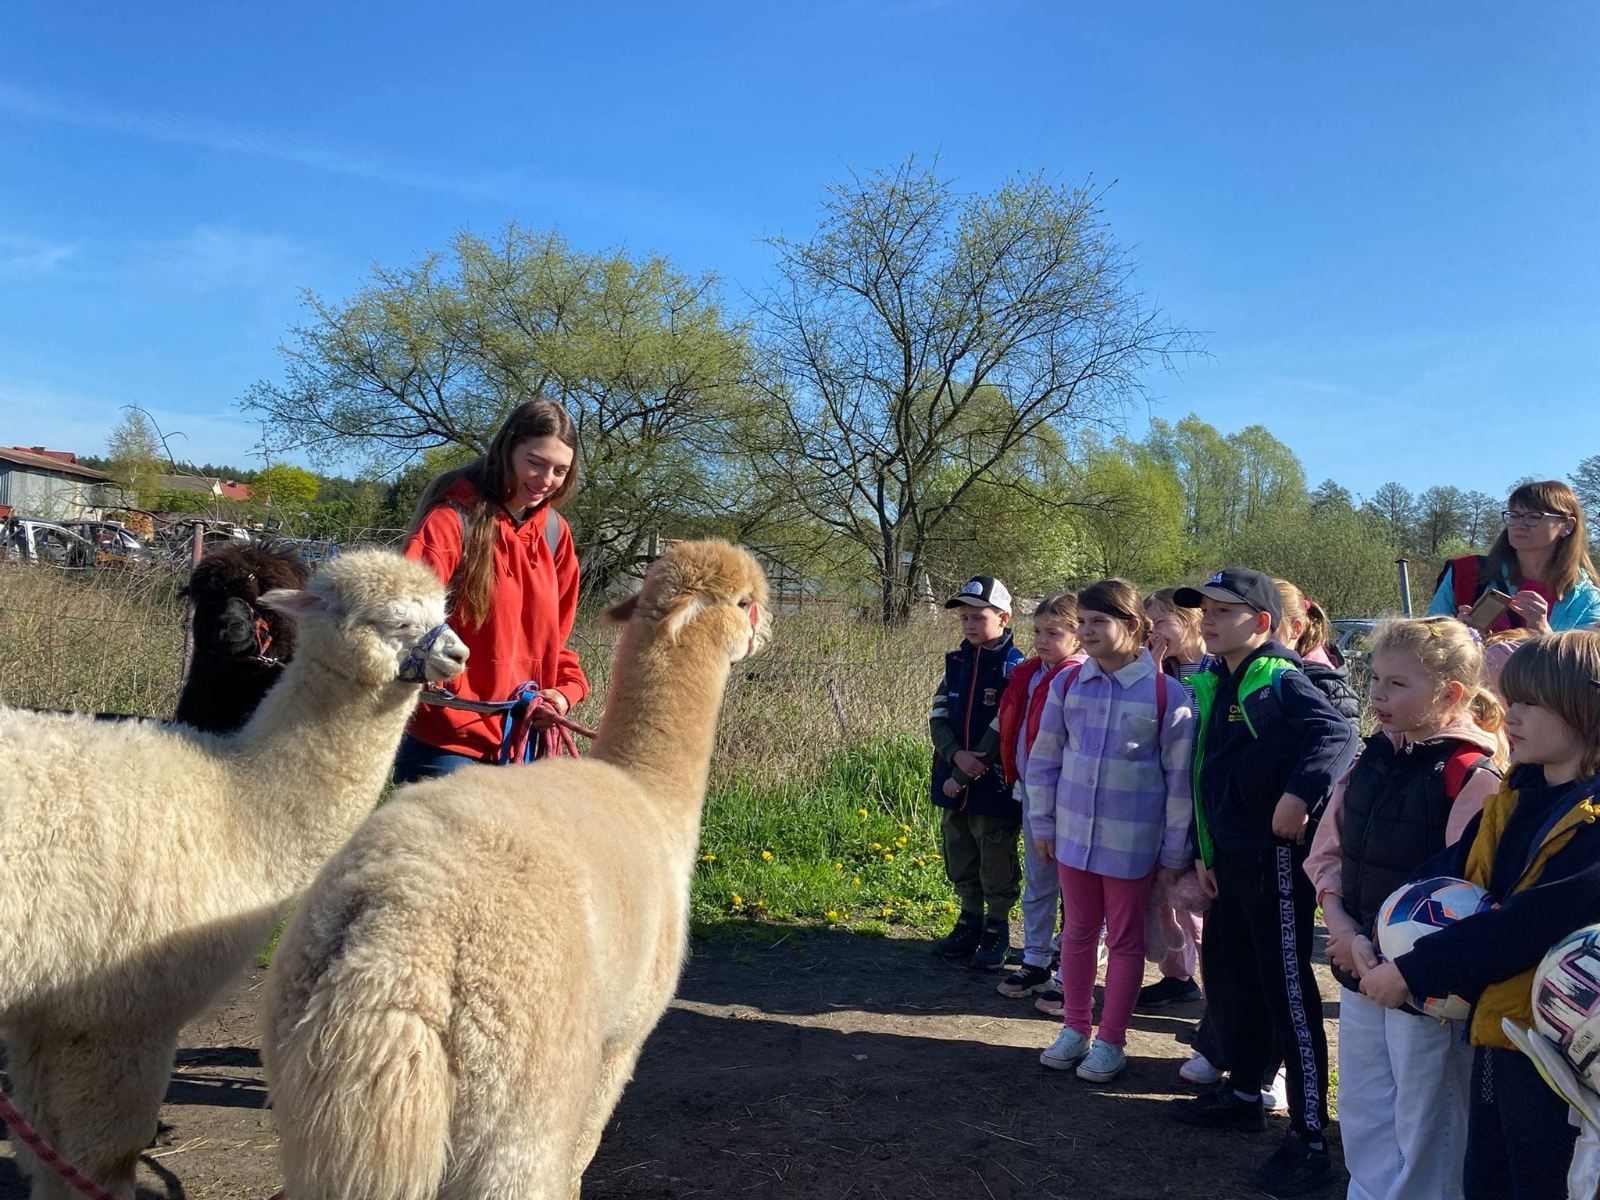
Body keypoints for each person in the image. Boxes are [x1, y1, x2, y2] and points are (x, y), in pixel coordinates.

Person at [1360, 631, 1600, 1200]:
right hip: (1499, 1035)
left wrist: (1415, 971)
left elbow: (1532, 920)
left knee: (1544, 1183)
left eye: (1529, 703)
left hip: (1561, 1059)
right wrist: (1378, 928)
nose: (1508, 715)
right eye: (1509, 699)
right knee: (1486, 1178)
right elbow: (1451, 866)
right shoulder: (1517, 794)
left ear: (1583, 709)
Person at [1167, 567, 1359, 1198]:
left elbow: (1336, 731)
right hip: (1232, 857)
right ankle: (1244, 1091)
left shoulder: (1276, 676)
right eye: (1206, 610)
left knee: (1287, 991)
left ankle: (1309, 1137)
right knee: (1231, 975)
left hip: (1275, 858)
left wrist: (1299, 794)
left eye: (1226, 610)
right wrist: (1206, 850)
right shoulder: (1220, 677)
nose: (1211, 619)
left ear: (1265, 623)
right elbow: (1208, 773)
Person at [1304, 616, 1504, 1200]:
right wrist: (1342, 929)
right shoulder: (1372, 759)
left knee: (1428, 1120)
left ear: (1450, 694)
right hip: (1356, 965)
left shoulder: (1473, 776)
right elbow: (1327, 853)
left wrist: (1393, 958)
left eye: (1397, 685)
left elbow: (1465, 895)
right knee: (1367, 1104)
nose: (1377, 695)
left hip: (1424, 989)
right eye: (1375, 679)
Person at [1026, 579, 1195, 1084]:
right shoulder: (1068, 684)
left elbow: (1179, 782)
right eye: (1083, 622)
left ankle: (1111, 1041)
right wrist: (1041, 822)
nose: (1088, 631)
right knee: (1077, 934)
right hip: (1073, 838)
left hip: (1132, 846)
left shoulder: (1167, 693)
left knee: (1123, 941)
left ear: (1134, 627)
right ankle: (1075, 1028)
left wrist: (1172, 851)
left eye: (1100, 621)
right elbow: (1044, 760)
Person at [396, 399, 588, 783]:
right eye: (535, 462)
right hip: (447, 744)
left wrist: (565, 691)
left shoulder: (555, 533)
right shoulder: (451, 521)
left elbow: (557, 641)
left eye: (560, 470)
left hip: (522, 741)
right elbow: (403, 623)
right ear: (507, 450)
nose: (546, 479)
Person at [930, 575, 1025, 969]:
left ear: (1003, 618)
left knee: (994, 852)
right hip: (951, 777)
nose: (970, 625)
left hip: (992, 782)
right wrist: (954, 756)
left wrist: (972, 766)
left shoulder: (1016, 667)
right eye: (965, 618)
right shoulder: (954, 663)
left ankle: (996, 927)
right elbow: (937, 716)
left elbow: (1006, 720)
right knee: (959, 848)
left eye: (979, 616)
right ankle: (969, 918)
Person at [994, 592, 1085, 1000]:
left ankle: (1072, 967)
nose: (1043, 640)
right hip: (1033, 790)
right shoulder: (1028, 673)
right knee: (1039, 878)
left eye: (1054, 632)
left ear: (1078, 635)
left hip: (1074, 796)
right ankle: (1034, 959)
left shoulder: (1082, 675)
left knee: (1077, 886)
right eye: (1038, 631)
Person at [1139, 588, 1210, 1009]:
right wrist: (1152, 668)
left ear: (1191, 621)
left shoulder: (1213, 666)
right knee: (1165, 896)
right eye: (1149, 626)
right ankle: (1178, 976)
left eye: (1162, 622)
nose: (1155, 633)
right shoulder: (1157, 668)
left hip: (1201, 798)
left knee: (1195, 899)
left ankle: (1216, 989)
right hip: (1165, 797)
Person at [1427, 480, 1600, 633]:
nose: (1519, 524)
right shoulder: (1465, 574)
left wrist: (1544, 633)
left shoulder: (1588, 600)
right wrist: (1454, 636)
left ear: (1567, 526)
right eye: (1514, 515)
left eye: (1534, 517)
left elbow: (1585, 664)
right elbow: (1423, 647)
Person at [1276, 578, 1362, 726]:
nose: (1256, 632)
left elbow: (1348, 746)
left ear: (1295, 628)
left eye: (1267, 623)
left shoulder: (1328, 688)